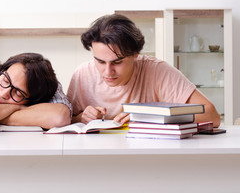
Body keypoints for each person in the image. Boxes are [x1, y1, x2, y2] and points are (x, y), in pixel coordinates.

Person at [67, 14, 221, 127]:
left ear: (135, 54)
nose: (108, 72)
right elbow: (64, 121)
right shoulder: (82, 74)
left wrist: (147, 116)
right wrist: (81, 118)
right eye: (100, 61)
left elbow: (212, 115)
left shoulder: (158, 71)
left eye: (117, 62)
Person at [0, 52, 72, 132]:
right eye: (5, 80)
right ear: (2, 71)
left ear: (33, 100)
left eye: (18, 94)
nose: (4, 93)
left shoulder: (46, 87)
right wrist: (15, 108)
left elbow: (60, 117)